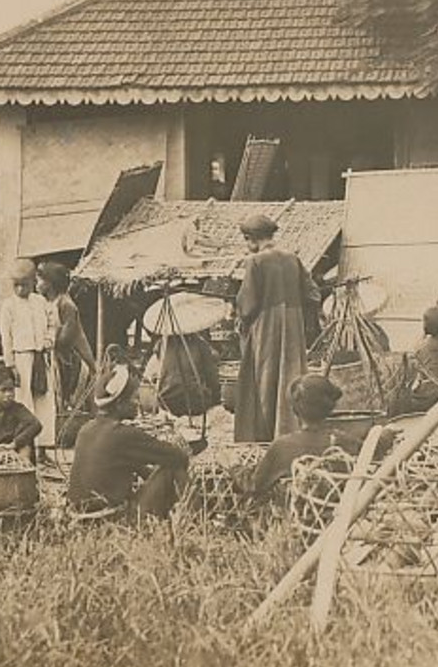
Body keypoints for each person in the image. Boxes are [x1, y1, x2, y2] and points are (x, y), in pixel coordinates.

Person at [233, 214, 318, 443]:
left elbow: (247, 304)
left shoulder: (256, 261)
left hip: (267, 326)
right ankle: (289, 429)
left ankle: (264, 435)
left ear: (251, 239)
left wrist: (239, 315)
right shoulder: (293, 258)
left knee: (264, 377)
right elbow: (312, 293)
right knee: (291, 374)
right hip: (293, 324)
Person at [67, 365, 190, 520]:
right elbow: (178, 457)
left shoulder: (86, 429)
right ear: (119, 404)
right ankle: (195, 522)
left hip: (78, 516)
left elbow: (123, 463)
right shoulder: (123, 434)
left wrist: (150, 475)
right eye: (133, 398)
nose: (137, 403)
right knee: (174, 468)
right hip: (107, 517)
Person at [244, 374, 366, 503]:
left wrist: (233, 468)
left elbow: (254, 485)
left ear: (295, 410)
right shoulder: (346, 442)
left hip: (298, 515)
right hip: (339, 510)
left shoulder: (281, 447)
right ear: (329, 408)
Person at [0, 259, 57, 460]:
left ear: (33, 282)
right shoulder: (8, 306)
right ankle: (26, 446)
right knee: (24, 402)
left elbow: (52, 324)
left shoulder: (41, 302)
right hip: (21, 358)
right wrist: (10, 364)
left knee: (44, 400)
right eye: (16, 285)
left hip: (41, 356)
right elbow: (6, 336)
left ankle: (43, 448)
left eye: (25, 284)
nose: (20, 289)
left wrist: (49, 340)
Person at [37, 261, 96, 414]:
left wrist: (44, 338)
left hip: (70, 362)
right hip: (55, 358)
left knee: (67, 405)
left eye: (40, 280)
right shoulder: (47, 302)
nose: (37, 284)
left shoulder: (66, 304)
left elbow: (66, 339)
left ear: (50, 283)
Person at [149, 325, 222, 418]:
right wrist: (216, 400)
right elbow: (212, 378)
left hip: (166, 400)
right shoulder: (201, 344)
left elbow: (156, 375)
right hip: (194, 401)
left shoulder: (161, 344)